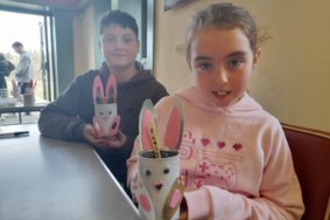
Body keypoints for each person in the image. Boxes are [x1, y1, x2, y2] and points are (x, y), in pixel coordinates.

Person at [127, 3, 304, 219]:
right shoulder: (166, 110)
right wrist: (139, 181)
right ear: (190, 63)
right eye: (205, 65)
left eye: (235, 62)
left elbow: (287, 211)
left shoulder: (266, 129)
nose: (220, 79)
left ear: (256, 58)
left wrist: (212, 203)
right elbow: (137, 162)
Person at [38, 10, 168, 196]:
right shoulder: (85, 82)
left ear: (138, 46)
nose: (119, 46)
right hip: (85, 177)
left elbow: (165, 144)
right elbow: (47, 117)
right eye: (110, 39)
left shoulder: (155, 91)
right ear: (100, 45)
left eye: (127, 39)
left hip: (138, 182)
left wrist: (127, 143)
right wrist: (81, 130)